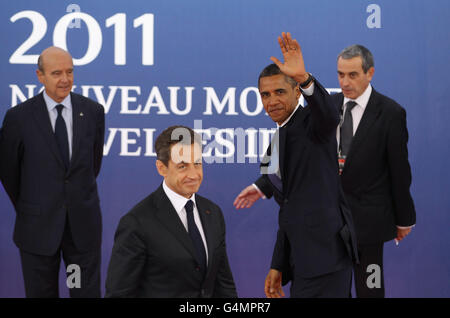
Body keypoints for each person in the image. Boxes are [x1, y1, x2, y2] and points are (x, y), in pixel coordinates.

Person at [234, 32, 358, 298]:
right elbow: (291, 206)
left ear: (296, 93)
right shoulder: (280, 136)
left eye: (280, 91)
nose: (272, 101)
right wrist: (278, 264)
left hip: (327, 259)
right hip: (302, 262)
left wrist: (304, 79)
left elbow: (327, 114)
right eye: (265, 94)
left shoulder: (313, 124)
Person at [0, 47, 105, 297]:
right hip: (37, 230)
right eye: (57, 73)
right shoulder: (18, 118)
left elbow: (93, 164)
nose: (65, 79)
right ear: (40, 75)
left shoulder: (92, 112)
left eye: (69, 72)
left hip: (81, 233)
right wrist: (33, 204)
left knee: (81, 291)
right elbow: (9, 173)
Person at [105, 125, 237, 298]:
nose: (194, 174)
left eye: (197, 163)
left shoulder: (212, 212)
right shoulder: (136, 223)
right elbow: (119, 294)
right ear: (162, 168)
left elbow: (223, 284)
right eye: (182, 166)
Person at [332, 44, 416, 297]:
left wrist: (404, 219)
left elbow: (399, 172)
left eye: (353, 75)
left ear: (370, 73)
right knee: (332, 291)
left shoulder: (391, 113)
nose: (345, 82)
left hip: (369, 226)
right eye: (340, 74)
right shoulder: (327, 105)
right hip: (329, 223)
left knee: (371, 290)